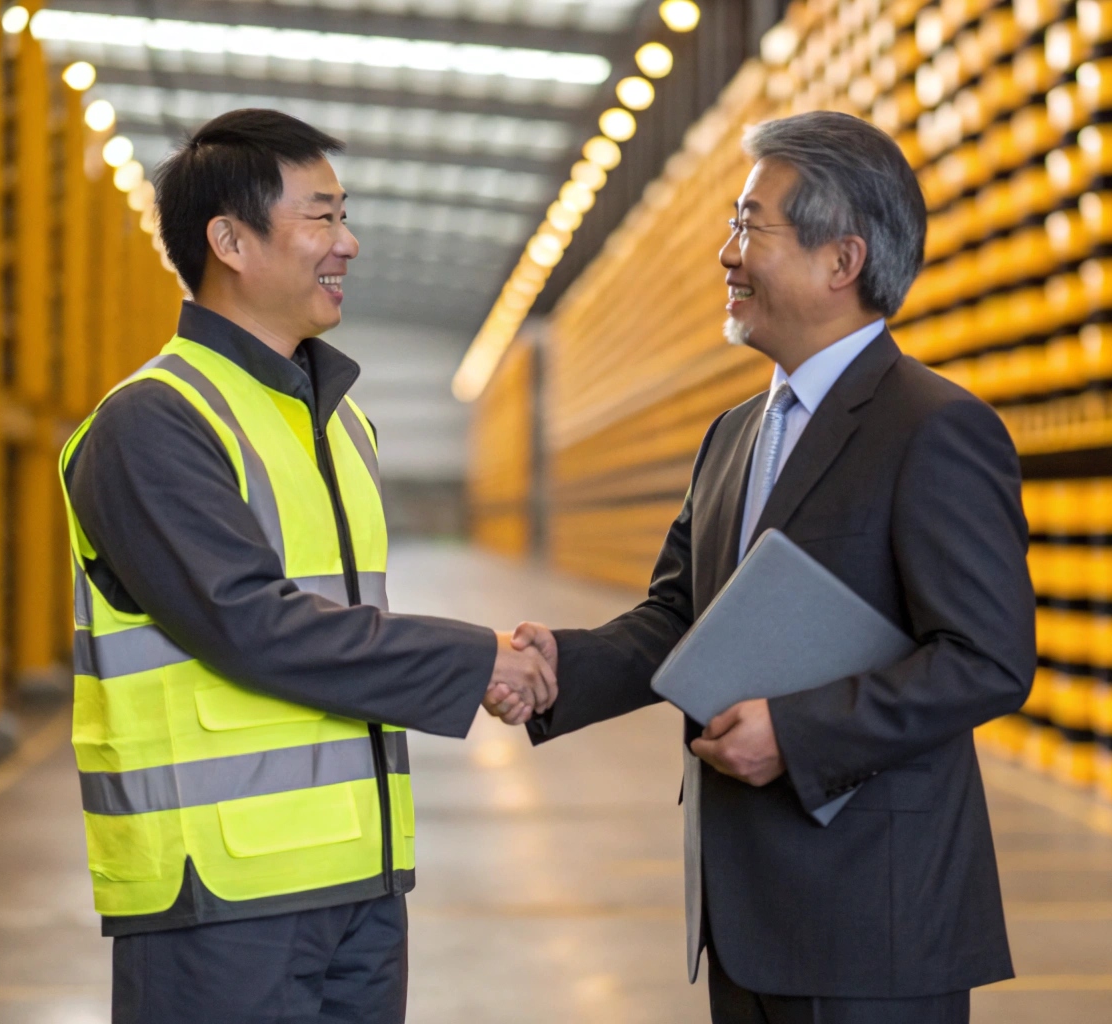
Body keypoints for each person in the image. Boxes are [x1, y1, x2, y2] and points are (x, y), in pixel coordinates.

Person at [510, 111, 1037, 1024]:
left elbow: (986, 658)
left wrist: (798, 733)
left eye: (752, 227)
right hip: (746, 907)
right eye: (730, 226)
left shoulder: (933, 428)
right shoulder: (736, 435)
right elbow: (681, 619)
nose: (728, 253)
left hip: (873, 918)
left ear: (844, 261)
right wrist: (555, 666)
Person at [59, 108, 552, 1024]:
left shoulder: (336, 418)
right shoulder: (155, 422)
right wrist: (473, 660)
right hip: (219, 899)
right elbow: (251, 623)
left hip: (359, 877)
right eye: (321, 218)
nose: (349, 243)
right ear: (230, 240)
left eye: (343, 215)